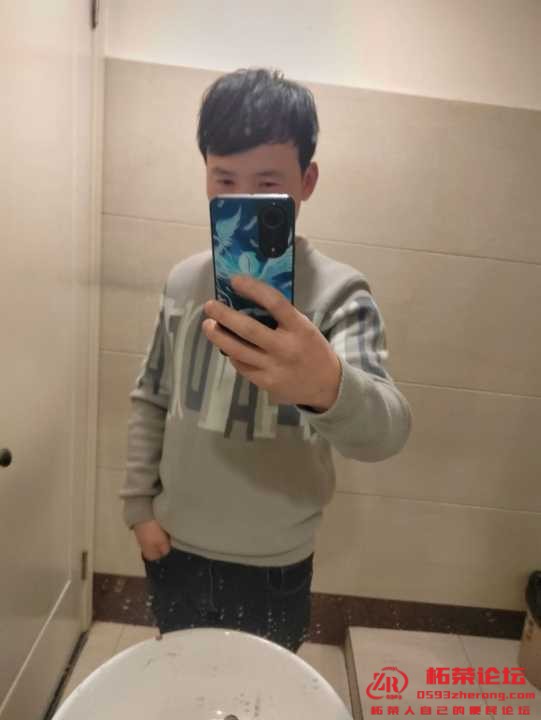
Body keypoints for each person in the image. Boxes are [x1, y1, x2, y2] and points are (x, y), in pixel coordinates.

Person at [118, 67, 412, 653]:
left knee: (263, 694)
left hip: (276, 565)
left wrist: (328, 386)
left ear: (307, 181)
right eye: (224, 179)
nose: (242, 201)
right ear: (204, 173)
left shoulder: (339, 295)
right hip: (173, 544)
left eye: (267, 183)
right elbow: (151, 397)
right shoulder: (182, 281)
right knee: (185, 680)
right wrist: (139, 510)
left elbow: (388, 432)